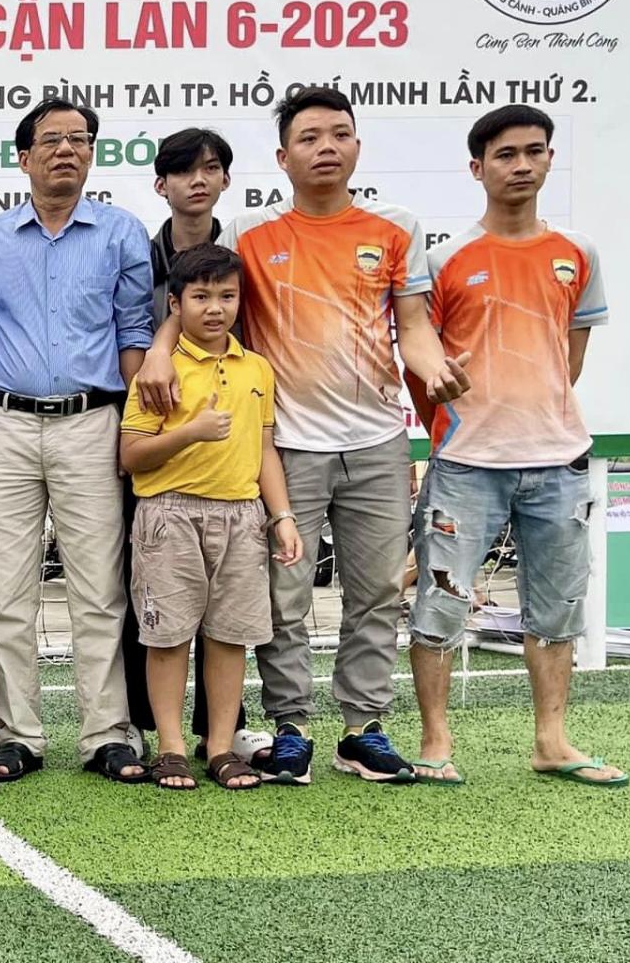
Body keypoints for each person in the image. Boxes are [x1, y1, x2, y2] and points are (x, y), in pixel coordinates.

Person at [135, 86, 472, 786]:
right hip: (287, 443)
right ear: (283, 156)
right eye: (310, 138)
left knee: (375, 591)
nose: (326, 148)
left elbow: (413, 328)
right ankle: (291, 727)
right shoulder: (250, 234)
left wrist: (436, 368)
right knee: (284, 598)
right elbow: (196, 293)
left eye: (339, 134)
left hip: (377, 442)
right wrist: (161, 350)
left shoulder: (396, 228)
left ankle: (362, 728)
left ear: (357, 147)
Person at [404, 105, 624, 787]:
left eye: (534, 151)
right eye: (505, 154)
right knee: (441, 602)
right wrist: (450, 419)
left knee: (557, 607)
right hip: (467, 465)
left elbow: (571, 360)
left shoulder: (577, 254)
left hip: (558, 461)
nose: (521, 165)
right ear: (477, 168)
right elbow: (421, 362)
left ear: (551, 159)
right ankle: (435, 741)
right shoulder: (444, 261)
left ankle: (552, 741)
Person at [0, 97, 154, 785]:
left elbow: (135, 330)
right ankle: (17, 733)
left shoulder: (121, 233)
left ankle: (106, 734)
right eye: (51, 140)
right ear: (23, 158)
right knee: (7, 591)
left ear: (93, 153)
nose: (66, 150)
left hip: (91, 422)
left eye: (79, 139)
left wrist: (132, 423)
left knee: (98, 589)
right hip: (7, 425)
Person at [119, 244, 302, 791]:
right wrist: (189, 433)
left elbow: (265, 449)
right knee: (168, 636)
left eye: (227, 296)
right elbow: (130, 456)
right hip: (170, 514)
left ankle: (220, 746)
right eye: (200, 297)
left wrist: (281, 515)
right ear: (175, 304)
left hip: (242, 517)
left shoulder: (257, 368)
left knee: (229, 636)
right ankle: (171, 747)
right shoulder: (159, 371)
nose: (215, 308)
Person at [134, 128, 241, 758]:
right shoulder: (139, 254)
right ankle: (148, 728)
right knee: (155, 597)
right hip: (154, 434)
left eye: (210, 169)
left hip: (231, 445)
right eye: (183, 171)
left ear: (225, 179)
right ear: (162, 184)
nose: (197, 181)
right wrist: (156, 356)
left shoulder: (242, 249)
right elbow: (128, 330)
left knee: (227, 608)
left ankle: (220, 733)